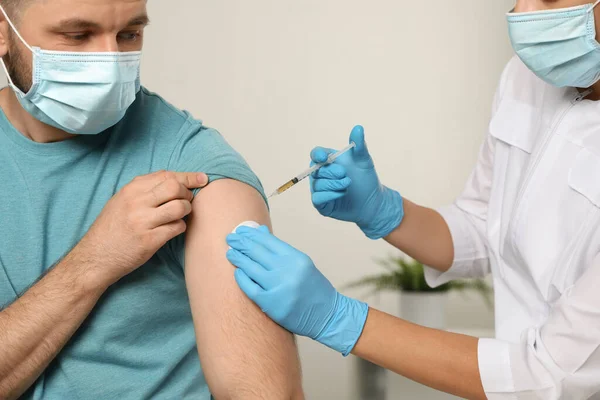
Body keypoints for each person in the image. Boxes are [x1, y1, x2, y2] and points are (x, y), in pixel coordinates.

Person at [226, 0, 600, 399]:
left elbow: (548, 375)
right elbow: (482, 228)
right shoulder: (525, 80)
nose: (521, 11)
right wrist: (384, 211)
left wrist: (339, 317)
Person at [0, 0, 304, 399]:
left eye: (129, 34)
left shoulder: (197, 167)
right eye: (77, 36)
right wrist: (95, 260)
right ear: (4, 32)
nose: (109, 63)